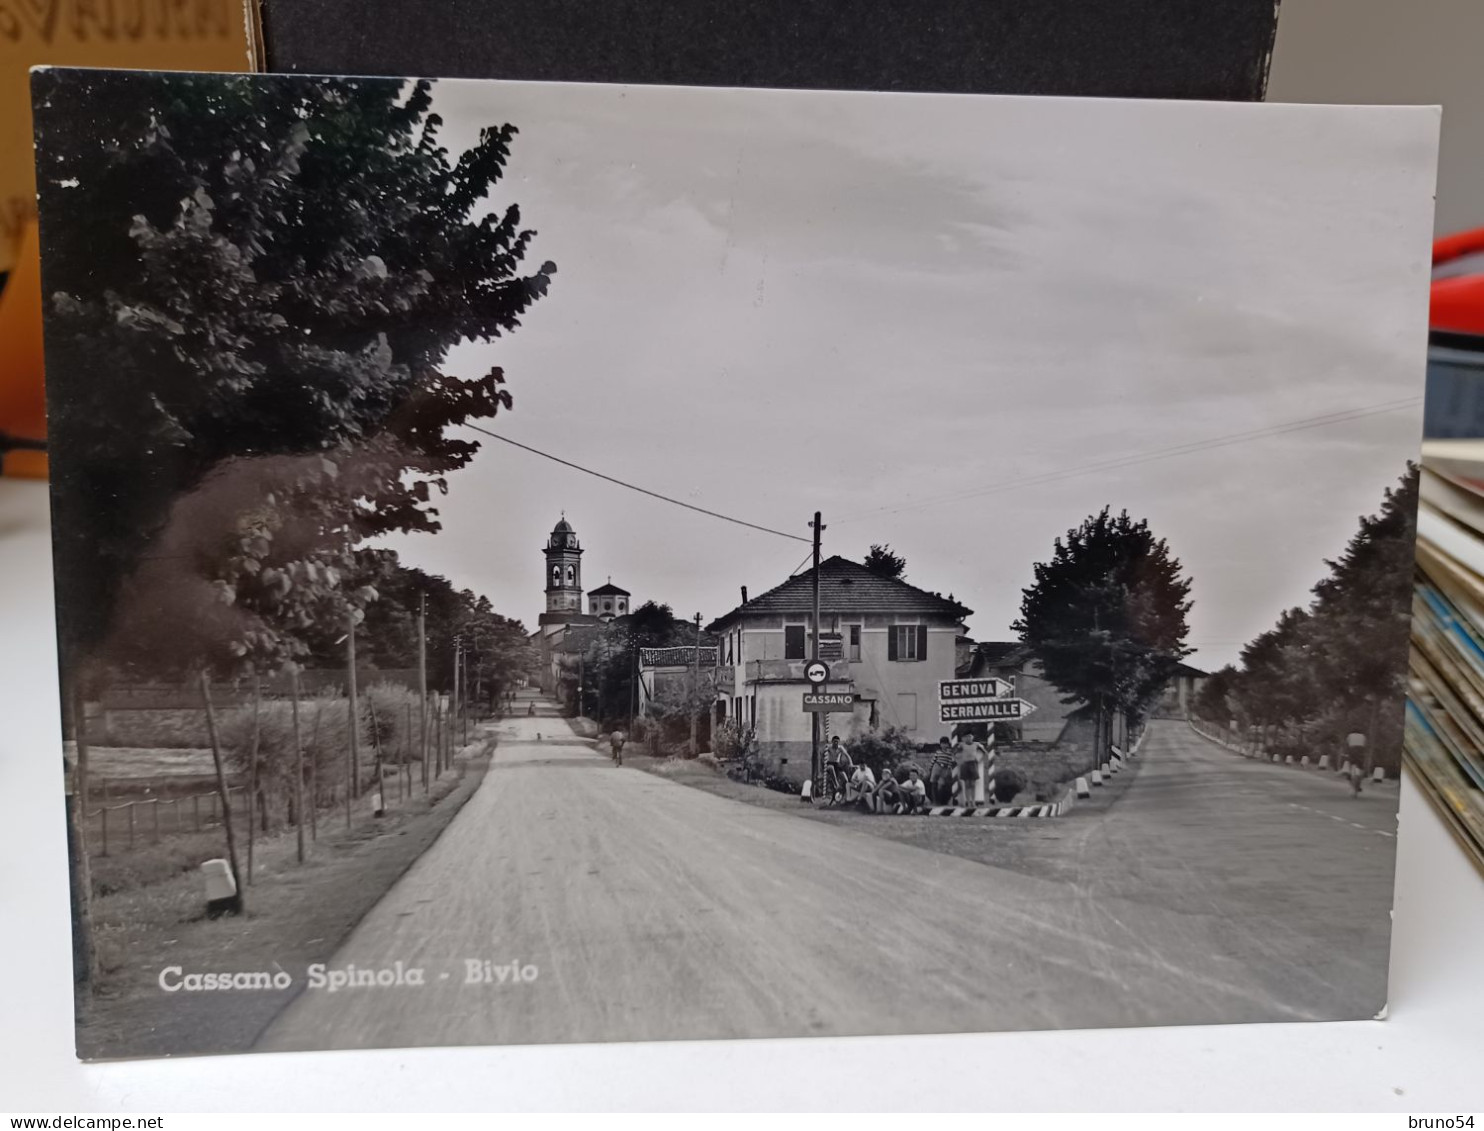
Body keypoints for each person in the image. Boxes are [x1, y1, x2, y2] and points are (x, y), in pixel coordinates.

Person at [928, 737, 956, 806]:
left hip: (944, 768)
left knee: (941, 785)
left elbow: (950, 761)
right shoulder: (938, 752)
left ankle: (940, 801)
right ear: (940, 744)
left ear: (948, 744)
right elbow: (933, 760)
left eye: (945, 744)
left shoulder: (949, 753)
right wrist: (930, 768)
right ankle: (934, 801)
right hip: (937, 766)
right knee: (933, 784)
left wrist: (948, 769)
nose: (944, 745)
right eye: (942, 744)